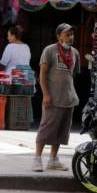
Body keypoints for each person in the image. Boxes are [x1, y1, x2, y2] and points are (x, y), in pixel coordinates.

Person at [32, 23, 80, 172]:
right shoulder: (50, 50)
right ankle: (37, 159)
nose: (71, 37)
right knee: (46, 129)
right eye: (67, 34)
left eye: (72, 34)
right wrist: (46, 94)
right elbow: (42, 74)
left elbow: (72, 76)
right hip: (52, 98)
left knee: (61, 131)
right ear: (59, 36)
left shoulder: (75, 53)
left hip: (68, 99)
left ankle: (53, 159)